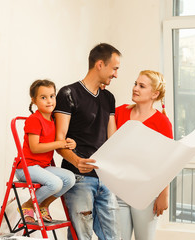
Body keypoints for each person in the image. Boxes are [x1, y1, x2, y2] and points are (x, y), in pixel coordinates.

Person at [54, 43, 121, 240]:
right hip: (79, 178)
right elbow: (59, 141)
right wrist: (76, 161)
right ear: (100, 64)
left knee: (114, 237)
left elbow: (113, 139)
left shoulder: (108, 98)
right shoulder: (68, 94)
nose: (116, 74)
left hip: (104, 178)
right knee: (80, 237)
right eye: (114, 68)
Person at [115, 70, 173, 240]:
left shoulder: (162, 122)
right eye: (135, 84)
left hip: (146, 192)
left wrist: (164, 194)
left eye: (142, 86)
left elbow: (168, 161)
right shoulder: (120, 112)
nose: (135, 88)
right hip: (119, 189)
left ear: (155, 94)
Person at [16, 79, 76, 223]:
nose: (49, 101)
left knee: (70, 179)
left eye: (52, 96)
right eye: (43, 97)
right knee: (55, 184)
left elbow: (59, 141)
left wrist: (69, 143)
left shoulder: (54, 120)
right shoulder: (34, 120)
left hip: (42, 167)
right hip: (26, 167)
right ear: (34, 100)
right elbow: (35, 147)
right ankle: (28, 205)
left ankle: (43, 205)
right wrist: (59, 143)